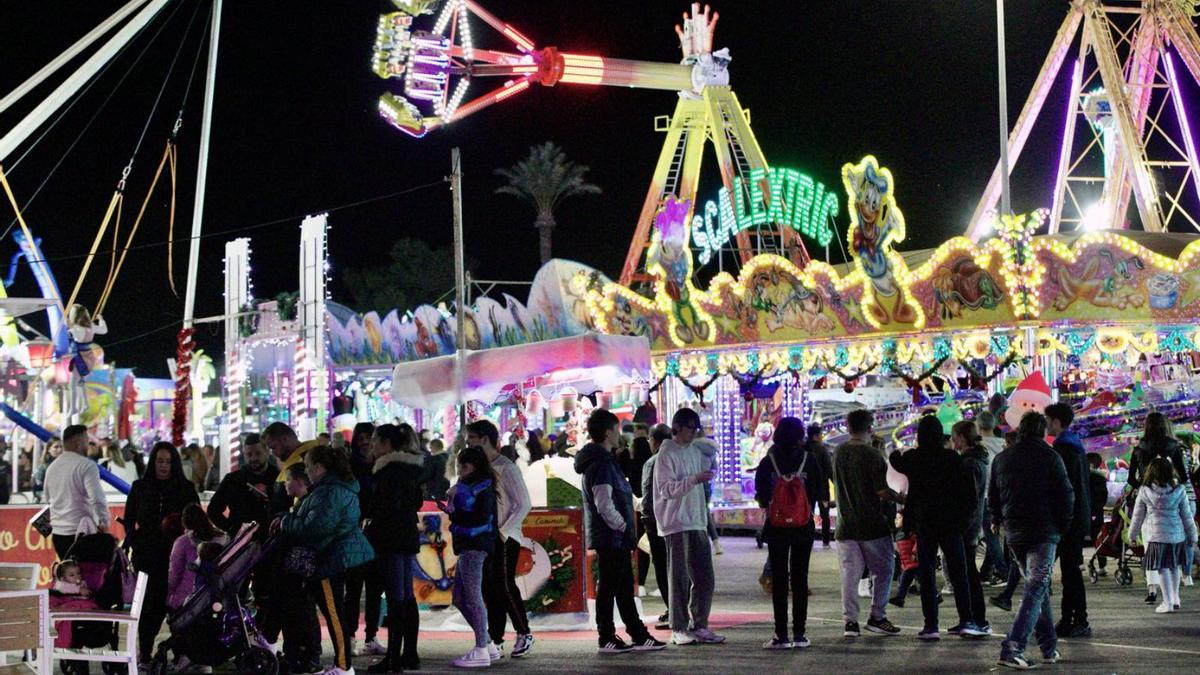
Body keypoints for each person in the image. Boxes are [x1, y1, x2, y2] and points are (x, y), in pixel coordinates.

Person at [278, 444, 376, 675]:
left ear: (320, 468)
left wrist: (286, 522)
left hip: (329, 559)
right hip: (333, 556)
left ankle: (344, 666)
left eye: (310, 467)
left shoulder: (329, 492)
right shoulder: (333, 488)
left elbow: (315, 527)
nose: (308, 472)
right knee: (334, 612)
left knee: (334, 613)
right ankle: (342, 664)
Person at [576, 409, 666, 654]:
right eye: (616, 429)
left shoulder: (603, 461)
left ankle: (633, 634)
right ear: (607, 432)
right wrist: (624, 526)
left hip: (612, 536)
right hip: (611, 537)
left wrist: (635, 504)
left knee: (620, 586)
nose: (619, 434)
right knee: (612, 586)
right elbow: (604, 504)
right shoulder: (602, 464)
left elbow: (613, 498)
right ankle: (612, 635)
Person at [990, 412, 1073, 670]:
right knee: (1037, 588)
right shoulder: (1050, 457)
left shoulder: (1003, 458)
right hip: (1043, 531)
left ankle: (1048, 645)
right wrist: (1062, 526)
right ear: (1042, 430)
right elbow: (1066, 495)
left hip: (1015, 532)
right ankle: (1013, 647)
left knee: (1038, 587)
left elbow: (993, 494)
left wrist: (997, 519)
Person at [890, 415, 985, 639]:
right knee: (958, 572)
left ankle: (931, 625)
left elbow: (895, 460)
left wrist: (902, 450)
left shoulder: (914, 458)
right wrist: (964, 520)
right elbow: (967, 493)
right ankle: (966, 619)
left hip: (924, 522)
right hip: (951, 523)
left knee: (927, 573)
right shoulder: (952, 458)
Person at [754, 417, 828, 650]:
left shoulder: (769, 461)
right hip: (803, 526)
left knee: (779, 579)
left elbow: (761, 494)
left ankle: (781, 635)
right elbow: (817, 489)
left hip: (776, 528)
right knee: (799, 578)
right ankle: (800, 634)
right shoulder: (809, 459)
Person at [653, 408, 723, 646]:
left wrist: (708, 462)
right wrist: (694, 479)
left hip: (697, 520)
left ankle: (700, 624)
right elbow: (666, 490)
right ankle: (679, 627)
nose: (694, 431)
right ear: (678, 427)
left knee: (705, 577)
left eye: (696, 427)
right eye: (690, 427)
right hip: (675, 522)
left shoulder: (695, 450)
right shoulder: (666, 454)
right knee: (679, 578)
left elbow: (711, 463)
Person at [125, 442, 200, 663]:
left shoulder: (185, 488)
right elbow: (129, 519)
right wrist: (135, 540)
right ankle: (145, 650)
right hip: (147, 557)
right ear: (152, 462)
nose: (164, 466)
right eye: (159, 461)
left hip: (178, 557)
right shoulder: (140, 487)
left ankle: (182, 652)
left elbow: (196, 519)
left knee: (180, 606)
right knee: (149, 607)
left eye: (168, 462)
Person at [465, 420, 534, 658]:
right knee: (489, 587)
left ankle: (524, 632)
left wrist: (504, 531)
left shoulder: (506, 467)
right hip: (487, 535)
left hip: (506, 535)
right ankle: (495, 639)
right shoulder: (480, 468)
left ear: (484, 439)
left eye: (471, 438)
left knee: (503, 584)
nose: (469, 443)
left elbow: (524, 503)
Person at [258, 425, 323, 675]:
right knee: (292, 604)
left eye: (273, 446)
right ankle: (297, 653)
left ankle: (306, 655)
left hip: (298, 546)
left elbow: (302, 504)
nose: (273, 452)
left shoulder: (305, 459)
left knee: (300, 604)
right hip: (288, 543)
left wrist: (284, 517)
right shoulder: (297, 460)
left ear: (285, 439)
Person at [832, 409, 901, 638]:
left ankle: (850, 622)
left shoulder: (838, 452)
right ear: (870, 426)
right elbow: (881, 490)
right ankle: (877, 616)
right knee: (884, 570)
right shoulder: (873, 456)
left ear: (848, 426)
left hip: (845, 525)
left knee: (849, 576)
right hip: (872, 524)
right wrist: (899, 497)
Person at [364, 424, 427, 672]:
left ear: (387, 444)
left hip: (390, 538)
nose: (372, 446)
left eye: (375, 442)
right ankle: (408, 654)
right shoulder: (410, 469)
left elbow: (386, 508)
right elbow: (415, 501)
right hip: (405, 536)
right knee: (405, 597)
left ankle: (393, 658)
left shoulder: (389, 471)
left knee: (396, 598)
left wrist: (371, 518)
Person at [442, 445, 499, 668]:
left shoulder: (481, 486)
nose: (460, 469)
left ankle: (481, 649)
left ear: (473, 465)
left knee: (473, 596)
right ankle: (487, 643)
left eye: (463, 465)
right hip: (470, 546)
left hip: (474, 546)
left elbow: (480, 519)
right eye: (459, 465)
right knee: (459, 597)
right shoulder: (471, 485)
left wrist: (456, 516)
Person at [1044, 402, 1091, 638]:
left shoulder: (1064, 449)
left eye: (1047, 419)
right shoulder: (1075, 446)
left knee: (1070, 572)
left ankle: (1077, 618)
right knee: (1069, 570)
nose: (1045, 424)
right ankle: (1070, 618)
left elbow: (1064, 488)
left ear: (1056, 422)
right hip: (1076, 516)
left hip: (1068, 519)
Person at [1130, 457, 1197, 613]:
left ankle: (1167, 603)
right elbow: (1187, 516)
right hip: (1176, 535)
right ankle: (1175, 598)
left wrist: (1132, 535)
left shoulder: (1145, 491)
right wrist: (1193, 537)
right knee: (1174, 567)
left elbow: (1137, 516)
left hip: (1156, 535)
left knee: (1162, 569)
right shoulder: (1179, 490)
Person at [344, 423, 386, 660]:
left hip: (376, 534)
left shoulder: (382, 466)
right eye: (360, 438)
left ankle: (371, 636)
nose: (364, 442)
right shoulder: (350, 468)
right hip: (354, 533)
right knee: (353, 589)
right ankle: (350, 637)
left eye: (368, 437)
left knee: (374, 589)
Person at [43, 426, 109, 559]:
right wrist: (104, 521)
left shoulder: (52, 467)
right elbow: (97, 498)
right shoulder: (87, 465)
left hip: (59, 534)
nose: (88, 445)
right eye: (86, 440)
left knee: (69, 577)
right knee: (88, 576)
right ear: (78, 443)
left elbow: (47, 498)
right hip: (82, 533)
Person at [951, 420, 991, 634]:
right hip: (972, 525)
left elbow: (968, 499)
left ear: (961, 438)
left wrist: (959, 524)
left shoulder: (968, 463)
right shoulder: (978, 461)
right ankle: (973, 618)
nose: (952, 441)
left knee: (965, 575)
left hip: (965, 527)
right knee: (968, 573)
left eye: (954, 436)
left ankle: (974, 619)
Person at [207, 434, 279, 536]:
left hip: (271, 541)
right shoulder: (232, 480)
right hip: (241, 542)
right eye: (249, 455)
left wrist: (270, 493)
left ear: (267, 452)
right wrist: (232, 529)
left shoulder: (279, 478)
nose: (254, 458)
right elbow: (213, 510)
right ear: (244, 455)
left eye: (258, 453)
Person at [168, 504, 229, 611]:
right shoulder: (223, 539)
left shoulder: (182, 542)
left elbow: (174, 575)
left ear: (184, 522)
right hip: (216, 597)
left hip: (186, 599)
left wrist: (169, 595)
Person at [641, 424, 672, 630]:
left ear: (654, 440)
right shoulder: (678, 458)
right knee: (676, 567)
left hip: (657, 523)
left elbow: (648, 495)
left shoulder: (653, 462)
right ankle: (678, 609)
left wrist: (646, 519)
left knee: (662, 567)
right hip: (676, 521)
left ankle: (673, 610)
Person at [977, 411, 1009, 583]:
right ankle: (986, 571)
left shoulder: (980, 447)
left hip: (986, 494)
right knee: (994, 535)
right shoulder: (1004, 444)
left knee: (991, 535)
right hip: (1003, 493)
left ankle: (1003, 571)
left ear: (979, 426)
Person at [804, 424, 834, 547]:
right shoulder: (822, 449)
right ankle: (825, 541)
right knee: (824, 514)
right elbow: (829, 468)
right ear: (816, 435)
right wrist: (835, 482)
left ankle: (807, 538)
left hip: (807, 487)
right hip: (822, 487)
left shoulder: (803, 449)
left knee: (807, 513)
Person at [1087, 452, 1109, 576]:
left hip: (1088, 511)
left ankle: (1079, 563)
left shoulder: (1087, 477)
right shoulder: (1101, 478)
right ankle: (1102, 565)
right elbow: (1103, 496)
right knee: (1098, 538)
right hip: (1097, 512)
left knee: (1078, 536)